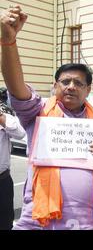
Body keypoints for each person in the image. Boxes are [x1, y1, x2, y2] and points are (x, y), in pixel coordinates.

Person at [1, 5, 93, 229]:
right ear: (55, 86)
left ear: (88, 90)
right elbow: (16, 88)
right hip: (39, 220)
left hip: (87, 222)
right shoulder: (38, 113)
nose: (71, 87)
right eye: (65, 82)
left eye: (78, 83)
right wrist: (8, 42)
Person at [0, 87, 26, 230]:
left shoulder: (4, 116)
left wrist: (1, 118)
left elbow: (20, 133)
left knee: (4, 223)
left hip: (2, 182)